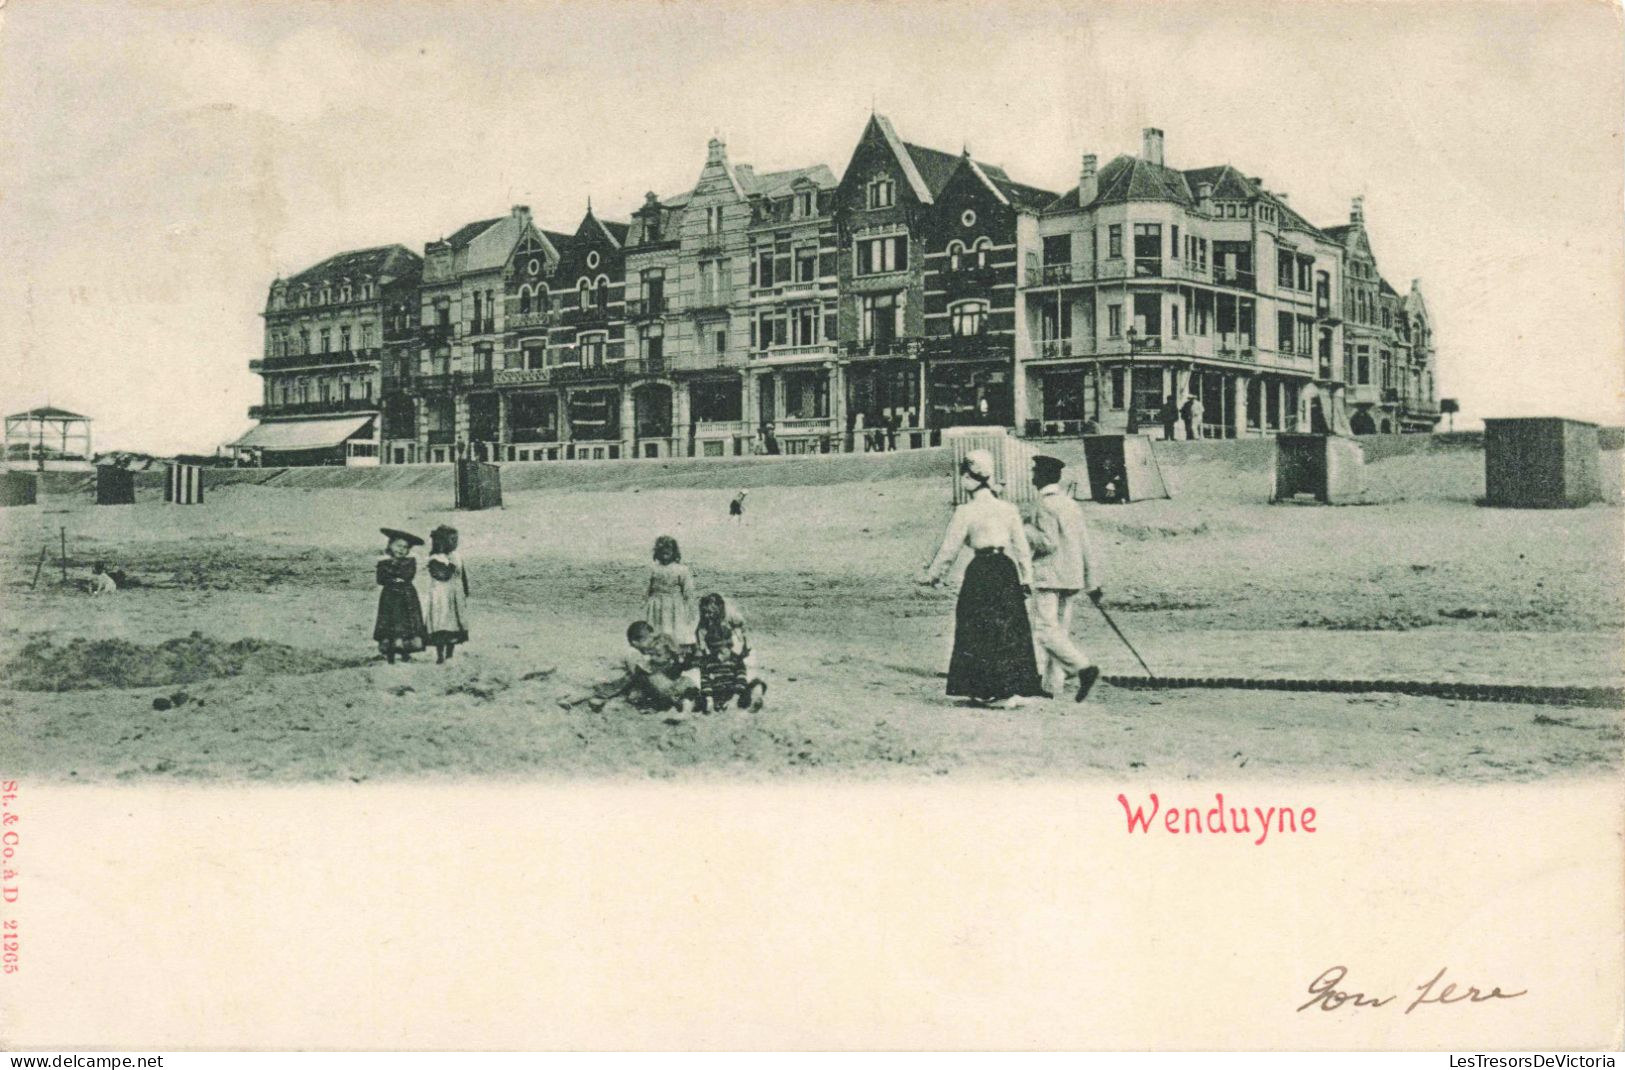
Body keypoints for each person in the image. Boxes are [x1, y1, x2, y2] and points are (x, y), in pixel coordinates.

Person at [918, 449, 1044, 708]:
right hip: (1005, 570)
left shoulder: (966, 511)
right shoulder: (1008, 509)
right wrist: (1026, 579)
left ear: (973, 478)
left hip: (981, 571)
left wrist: (933, 576)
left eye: (964, 475)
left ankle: (982, 689)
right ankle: (1009, 690)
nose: (963, 480)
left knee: (976, 626)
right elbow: (1021, 548)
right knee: (1008, 627)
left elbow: (949, 549)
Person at [1026, 456, 1103, 702]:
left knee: (1044, 631)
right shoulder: (1071, 505)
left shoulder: (1042, 505)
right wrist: (1092, 582)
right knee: (1060, 631)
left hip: (1049, 577)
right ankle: (1052, 685)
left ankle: (1083, 668)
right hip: (1072, 577)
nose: (1032, 475)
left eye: (1035, 471)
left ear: (1044, 477)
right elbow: (1085, 544)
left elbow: (1047, 543)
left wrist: (1025, 529)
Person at [559, 621, 701, 714]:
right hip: (616, 682)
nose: (651, 643)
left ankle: (574, 700)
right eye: (648, 640)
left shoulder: (632, 651)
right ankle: (574, 700)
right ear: (635, 641)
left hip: (611, 681)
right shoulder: (633, 654)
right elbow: (643, 674)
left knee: (595, 692)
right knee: (605, 691)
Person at [693, 593, 767, 712]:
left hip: (734, 653)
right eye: (705, 612)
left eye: (710, 612)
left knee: (753, 680)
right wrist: (708, 654)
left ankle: (755, 700)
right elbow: (702, 647)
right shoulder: (703, 626)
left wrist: (734, 651)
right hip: (716, 661)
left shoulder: (732, 618)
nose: (707, 615)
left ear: (719, 609)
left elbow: (741, 636)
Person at [374, 528, 428, 663]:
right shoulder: (383, 563)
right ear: (390, 546)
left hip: (407, 596)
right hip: (390, 597)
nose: (401, 550)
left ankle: (405, 653)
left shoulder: (410, 562)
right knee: (390, 624)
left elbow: (407, 576)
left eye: (405, 547)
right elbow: (381, 579)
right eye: (398, 546)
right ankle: (390, 654)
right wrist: (393, 578)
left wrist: (393, 576)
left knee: (407, 624)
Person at [424, 525, 470, 664]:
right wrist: (450, 566)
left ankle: (450, 654)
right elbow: (442, 575)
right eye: (451, 540)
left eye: (456, 540)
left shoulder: (457, 556)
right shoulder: (435, 558)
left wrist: (465, 590)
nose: (455, 543)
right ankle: (440, 654)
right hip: (441, 597)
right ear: (442, 542)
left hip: (455, 595)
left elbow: (462, 575)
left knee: (454, 623)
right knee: (441, 623)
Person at [645, 535, 696, 650]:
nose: (665, 552)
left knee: (675, 628)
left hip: (675, 605)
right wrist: (647, 601)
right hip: (657, 604)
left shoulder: (682, 569)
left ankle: (677, 651)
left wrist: (689, 608)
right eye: (662, 549)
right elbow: (648, 587)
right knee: (658, 628)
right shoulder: (653, 569)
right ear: (658, 551)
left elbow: (688, 590)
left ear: (674, 552)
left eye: (669, 549)